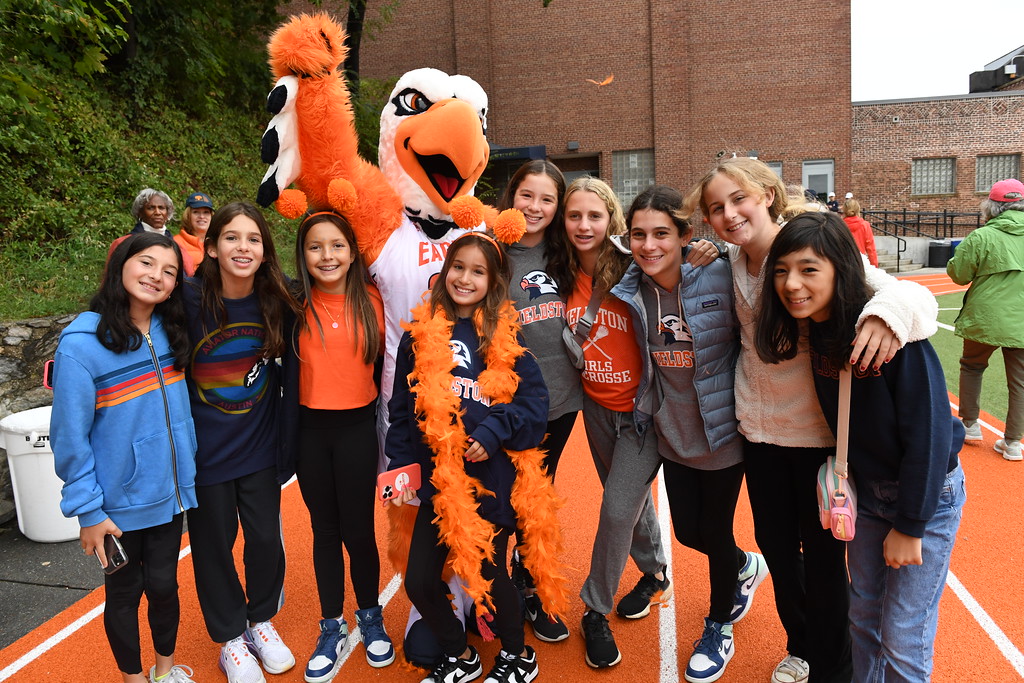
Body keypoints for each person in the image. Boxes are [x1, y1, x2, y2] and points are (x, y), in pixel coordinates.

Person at [682, 156, 937, 683]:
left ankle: (833, 667)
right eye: (715, 209)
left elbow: (907, 292)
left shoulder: (805, 245)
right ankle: (802, 645)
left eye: (738, 199)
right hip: (758, 431)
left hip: (821, 436)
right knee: (776, 549)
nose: (728, 215)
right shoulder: (725, 261)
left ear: (767, 196)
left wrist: (889, 317)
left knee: (824, 565)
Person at [755, 211, 966, 681]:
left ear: (840, 270)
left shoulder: (889, 333)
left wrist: (911, 525)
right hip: (868, 495)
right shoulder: (816, 329)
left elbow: (929, 437)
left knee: (903, 633)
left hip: (923, 496)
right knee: (864, 618)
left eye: (809, 269)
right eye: (782, 270)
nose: (792, 284)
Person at [385, 232, 564, 683]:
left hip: (490, 479)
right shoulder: (419, 336)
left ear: (494, 280)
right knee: (420, 581)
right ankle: (460, 656)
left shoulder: (502, 336)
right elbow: (400, 411)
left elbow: (532, 403)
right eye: (458, 267)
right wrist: (400, 469)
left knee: (491, 573)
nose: (465, 278)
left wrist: (493, 429)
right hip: (436, 484)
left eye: (478, 271)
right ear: (445, 272)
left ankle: (518, 657)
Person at [610, 185, 767, 683]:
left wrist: (722, 249)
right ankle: (746, 565)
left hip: (720, 429)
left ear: (685, 236)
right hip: (670, 430)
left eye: (662, 234)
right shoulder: (632, 288)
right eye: (638, 235)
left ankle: (718, 623)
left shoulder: (719, 273)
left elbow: (757, 256)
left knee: (714, 532)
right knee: (687, 533)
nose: (649, 245)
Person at [51, 232, 198, 683]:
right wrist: (89, 513)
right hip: (114, 509)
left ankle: (165, 671)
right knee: (123, 593)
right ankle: (133, 679)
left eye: (169, 271)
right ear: (120, 266)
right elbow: (68, 438)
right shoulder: (80, 345)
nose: (157, 276)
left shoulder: (169, 332)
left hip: (168, 497)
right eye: (147, 263)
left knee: (165, 587)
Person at [548, 177, 668, 668]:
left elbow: (685, 263)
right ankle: (656, 573)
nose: (583, 225)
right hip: (596, 408)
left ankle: (593, 608)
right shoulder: (558, 272)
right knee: (631, 505)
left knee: (617, 509)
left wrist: (703, 249)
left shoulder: (636, 266)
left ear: (612, 219)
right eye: (574, 215)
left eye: (594, 216)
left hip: (640, 413)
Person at [183, 202, 302, 683]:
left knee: (264, 542)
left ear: (264, 251)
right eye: (231, 237)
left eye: (253, 238)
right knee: (213, 547)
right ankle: (230, 637)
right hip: (205, 455)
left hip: (258, 448)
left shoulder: (278, 299)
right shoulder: (187, 300)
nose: (242, 247)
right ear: (211, 247)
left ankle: (259, 621)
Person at [282, 211, 394, 681]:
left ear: (352, 252)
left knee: (358, 530)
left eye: (336, 246)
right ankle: (331, 624)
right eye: (315, 247)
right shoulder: (289, 303)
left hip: (356, 431)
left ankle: (370, 615)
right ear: (302, 254)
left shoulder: (373, 298)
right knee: (325, 530)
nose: (326, 256)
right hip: (309, 432)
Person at [497, 160, 580, 641]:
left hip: (562, 398)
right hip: (506, 402)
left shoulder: (568, 249)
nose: (535, 207)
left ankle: (530, 584)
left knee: (537, 494)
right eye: (527, 195)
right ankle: (491, 587)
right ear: (513, 195)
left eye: (547, 199)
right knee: (501, 493)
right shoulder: (491, 247)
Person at [947, 178, 1024, 461]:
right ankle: (1013, 442)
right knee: (1020, 382)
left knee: (972, 366)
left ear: (991, 206)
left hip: (985, 316)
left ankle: (969, 424)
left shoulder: (982, 236)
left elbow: (959, 274)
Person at [109, 189, 195, 274]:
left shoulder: (179, 249)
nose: (157, 212)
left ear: (167, 213)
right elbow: (111, 278)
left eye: (161, 208)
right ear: (140, 213)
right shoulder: (123, 243)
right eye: (151, 208)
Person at [174, 192, 214, 275]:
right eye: (196, 212)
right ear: (188, 216)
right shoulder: (176, 243)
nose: (202, 216)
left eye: (206, 212)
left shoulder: (218, 242)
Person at [841, 199, 878, 267]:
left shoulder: (839, 225)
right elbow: (871, 249)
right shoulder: (864, 225)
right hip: (860, 262)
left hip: (843, 263)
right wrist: (874, 266)